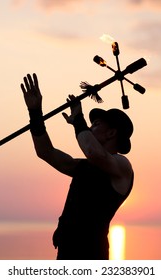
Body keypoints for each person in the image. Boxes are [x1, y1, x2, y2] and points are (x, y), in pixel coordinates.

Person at [20, 73, 134, 260]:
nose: (90, 128)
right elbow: (45, 152)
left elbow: (93, 151)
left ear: (112, 133)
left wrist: (79, 119)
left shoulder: (122, 167)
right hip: (66, 252)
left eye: (95, 124)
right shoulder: (84, 167)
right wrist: (35, 112)